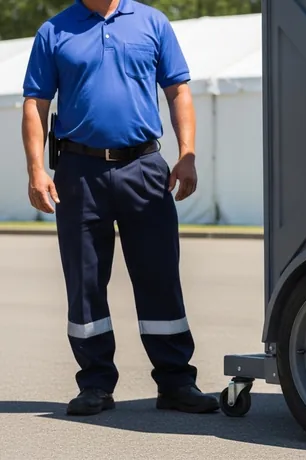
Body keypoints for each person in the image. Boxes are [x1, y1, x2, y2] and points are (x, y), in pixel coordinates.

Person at [21, 0, 219, 416]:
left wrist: (188, 154)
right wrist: (36, 169)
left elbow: (178, 91)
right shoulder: (54, 32)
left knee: (160, 275)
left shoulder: (152, 22)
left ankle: (176, 381)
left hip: (145, 167)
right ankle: (94, 383)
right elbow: (35, 104)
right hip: (78, 170)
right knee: (85, 280)